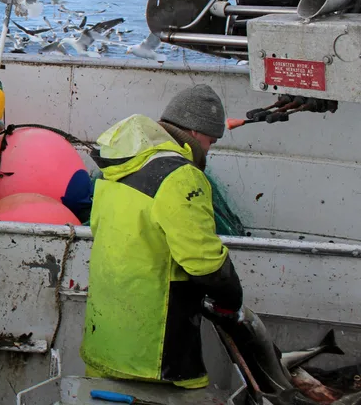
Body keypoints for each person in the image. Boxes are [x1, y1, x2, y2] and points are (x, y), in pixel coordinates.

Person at [80, 84, 244, 389]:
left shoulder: (115, 168)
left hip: (104, 340)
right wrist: (231, 296)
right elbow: (203, 261)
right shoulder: (180, 177)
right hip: (153, 354)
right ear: (195, 133)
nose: (209, 150)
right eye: (211, 140)